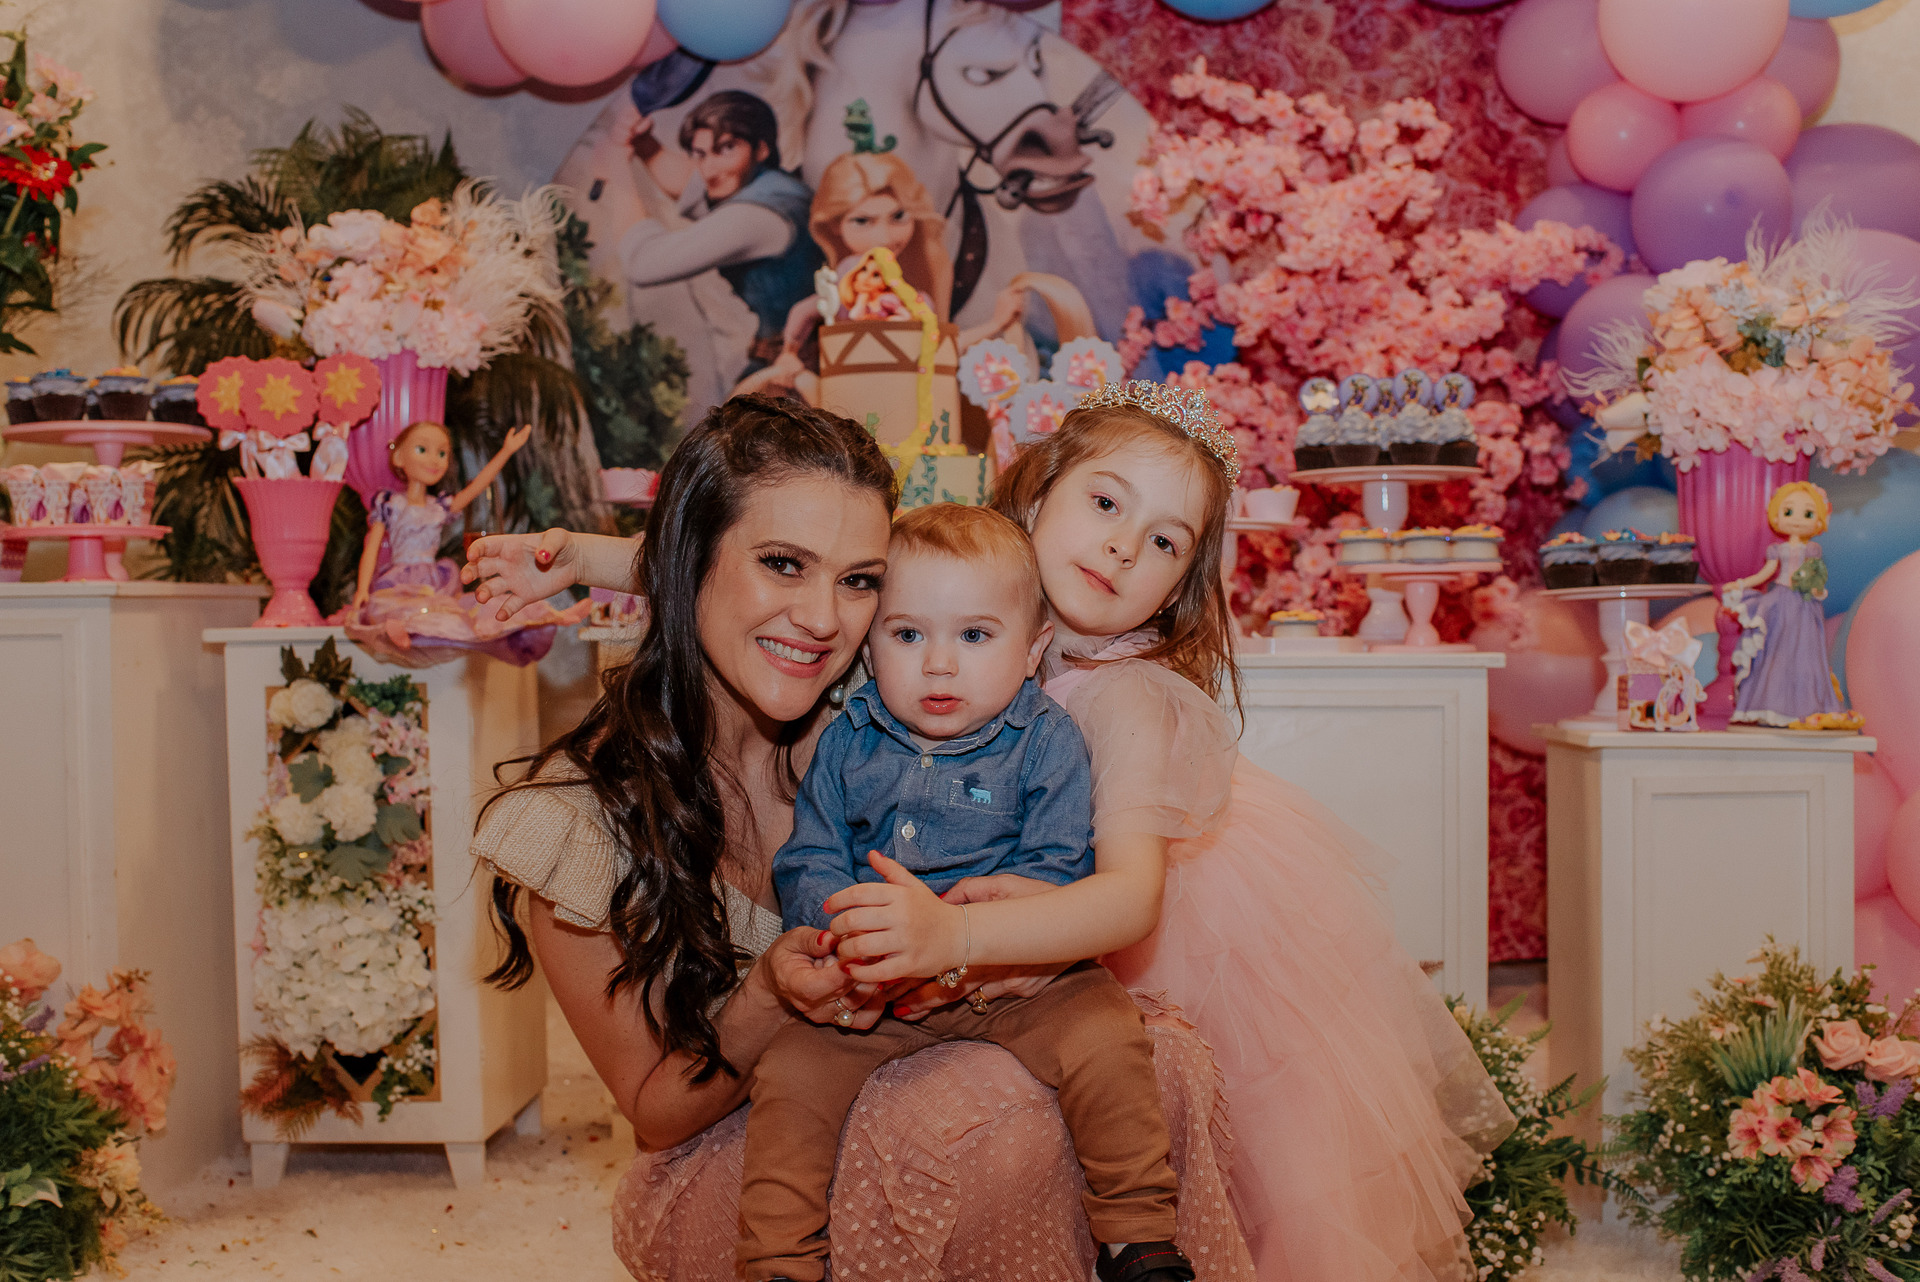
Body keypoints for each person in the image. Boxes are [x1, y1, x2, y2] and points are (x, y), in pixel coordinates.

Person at [466, 382, 1511, 1280]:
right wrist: (775, 991)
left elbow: (797, 579)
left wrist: (983, 944)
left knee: (1136, 1057)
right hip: (756, 1162)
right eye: (784, 566)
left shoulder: (880, 684)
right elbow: (655, 1110)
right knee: (1005, 1117)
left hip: (935, 1042)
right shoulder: (584, 818)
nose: (824, 618)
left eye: (861, 583)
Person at [745, 502, 1195, 1282]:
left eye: (975, 636)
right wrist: (843, 928)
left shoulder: (1046, 741)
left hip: (1014, 978)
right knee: (789, 1072)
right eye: (908, 635)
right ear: (869, 645)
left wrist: (1004, 922)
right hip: (876, 984)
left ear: (1032, 650)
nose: (939, 665)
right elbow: (811, 856)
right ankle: (778, 1260)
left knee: (1107, 1033)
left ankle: (1137, 1235)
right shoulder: (848, 741)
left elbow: (1060, 864)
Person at [343, 420, 584, 668]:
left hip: (433, 582)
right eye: (422, 449)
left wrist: (506, 451)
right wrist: (362, 589)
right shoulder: (390, 504)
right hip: (399, 580)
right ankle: (401, 630)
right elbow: (371, 549)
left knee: (465, 610)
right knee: (388, 607)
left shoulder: (439, 507)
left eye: (442, 453)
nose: (434, 460)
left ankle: (551, 616)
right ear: (398, 458)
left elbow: (477, 487)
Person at [617, 90, 823, 377]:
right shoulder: (774, 187)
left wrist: (614, 170)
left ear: (761, 149)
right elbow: (693, 187)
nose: (709, 170)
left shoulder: (754, 215)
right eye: (700, 155)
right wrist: (644, 145)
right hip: (793, 358)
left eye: (726, 149)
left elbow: (643, 263)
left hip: (796, 367)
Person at [1724, 481, 1860, 730]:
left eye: (1807, 513)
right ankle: (1771, 704)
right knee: (1776, 653)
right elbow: (1766, 573)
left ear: (1819, 521)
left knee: (1804, 653)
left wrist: (1816, 589)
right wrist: (1742, 584)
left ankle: (1804, 706)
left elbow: (1816, 575)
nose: (1797, 519)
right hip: (1781, 602)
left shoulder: (1813, 550)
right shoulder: (1777, 550)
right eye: (1788, 511)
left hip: (1805, 604)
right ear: (1776, 516)